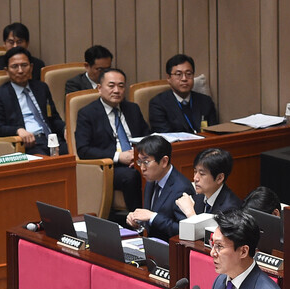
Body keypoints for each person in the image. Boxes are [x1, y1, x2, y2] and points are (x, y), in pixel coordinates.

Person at [74, 67, 149, 210]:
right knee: (132, 176)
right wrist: (118, 157)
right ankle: (138, 220)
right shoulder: (87, 113)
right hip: (109, 167)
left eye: (121, 86)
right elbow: (84, 150)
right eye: (111, 86)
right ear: (99, 88)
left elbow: (147, 137)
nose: (116, 90)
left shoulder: (132, 109)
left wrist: (140, 157)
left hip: (138, 160)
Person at [0, 47, 67, 156]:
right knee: (43, 163)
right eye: (15, 66)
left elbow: (53, 117)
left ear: (31, 67)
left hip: (53, 140)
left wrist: (65, 129)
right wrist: (18, 130)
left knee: (76, 153)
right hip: (30, 144)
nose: (20, 71)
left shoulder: (41, 88)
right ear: (6, 71)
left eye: (24, 65)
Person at [126, 135, 196, 241]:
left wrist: (153, 217)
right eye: (139, 162)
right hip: (152, 245)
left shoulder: (182, 188)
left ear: (164, 161)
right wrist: (138, 221)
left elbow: (184, 231)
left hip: (170, 251)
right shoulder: (152, 179)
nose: (142, 168)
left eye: (146, 162)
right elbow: (150, 220)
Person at [148, 54, 218, 134]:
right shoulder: (158, 104)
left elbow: (214, 131)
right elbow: (165, 137)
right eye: (178, 74)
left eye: (188, 74)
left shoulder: (205, 101)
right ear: (168, 78)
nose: (184, 79)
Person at [176, 147, 240, 218]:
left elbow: (211, 229)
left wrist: (191, 215)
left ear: (219, 178)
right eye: (195, 172)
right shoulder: (198, 197)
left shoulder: (231, 209)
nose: (195, 178)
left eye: (202, 174)